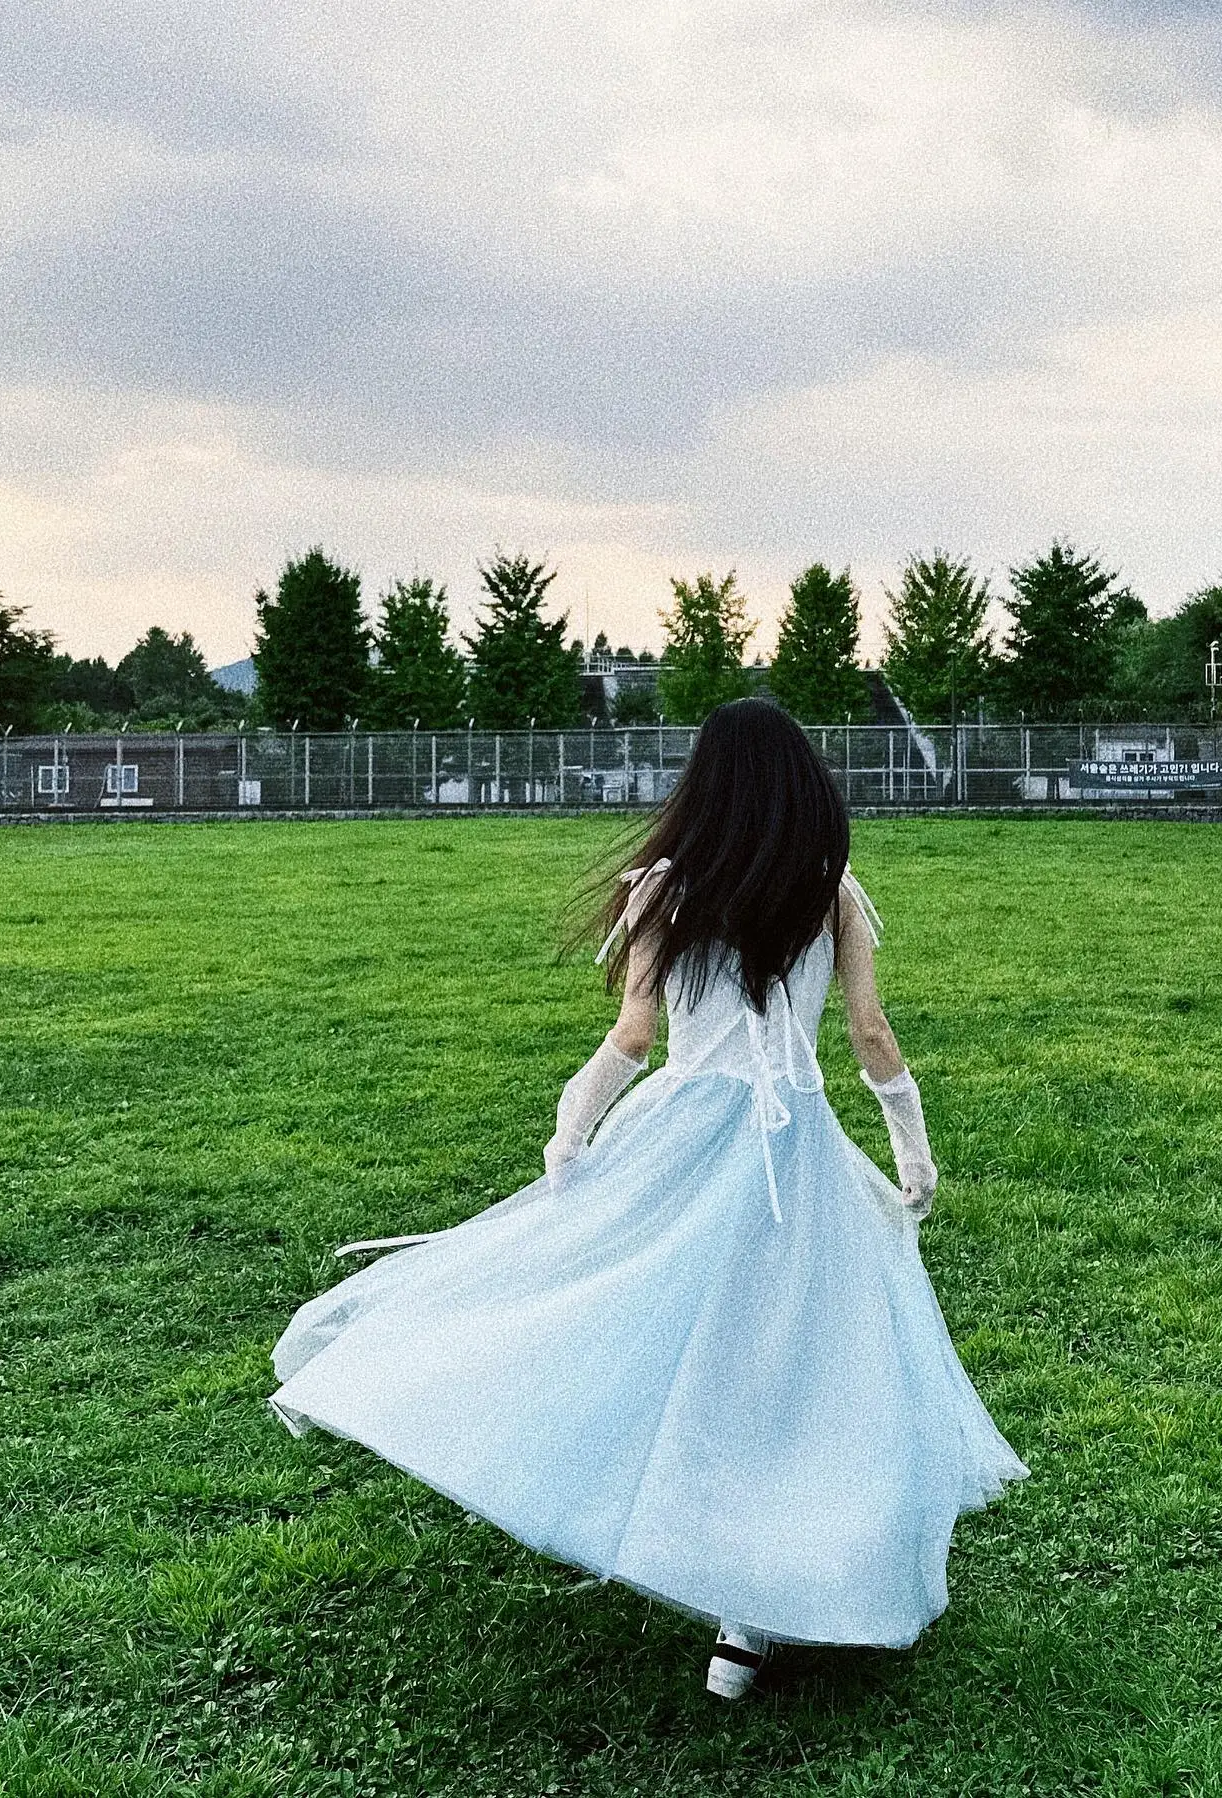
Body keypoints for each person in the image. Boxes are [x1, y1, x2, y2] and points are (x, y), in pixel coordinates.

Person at [269, 697, 1026, 1699]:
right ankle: (748, 1613)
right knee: (789, 1360)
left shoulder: (667, 887)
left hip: (679, 1133)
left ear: (702, 785)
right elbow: (871, 1036)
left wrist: (572, 1125)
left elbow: (634, 1034)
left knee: (650, 1327)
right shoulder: (829, 887)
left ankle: (710, 1575)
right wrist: (911, 1153)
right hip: (793, 1149)